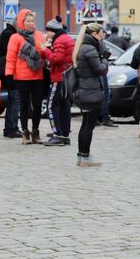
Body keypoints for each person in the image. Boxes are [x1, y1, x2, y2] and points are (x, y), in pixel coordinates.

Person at [5, 9, 48, 145]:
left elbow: (45, 53)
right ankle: (25, 132)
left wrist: (44, 50)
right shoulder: (15, 37)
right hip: (21, 77)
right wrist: (9, 75)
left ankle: (35, 131)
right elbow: (10, 58)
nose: (31, 23)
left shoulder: (40, 35)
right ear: (21, 22)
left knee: (37, 105)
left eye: (32, 21)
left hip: (37, 75)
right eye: (28, 21)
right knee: (23, 105)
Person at [72, 22, 110, 167]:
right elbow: (100, 69)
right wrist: (105, 59)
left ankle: (82, 156)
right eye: (101, 34)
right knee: (89, 125)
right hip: (91, 91)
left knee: (85, 124)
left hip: (85, 90)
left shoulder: (82, 47)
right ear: (94, 34)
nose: (103, 36)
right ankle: (85, 156)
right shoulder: (90, 49)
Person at [44, 17, 74, 146]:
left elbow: (57, 59)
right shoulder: (66, 38)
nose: (47, 34)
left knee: (51, 106)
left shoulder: (59, 40)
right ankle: (64, 134)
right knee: (64, 106)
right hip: (66, 78)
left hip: (58, 77)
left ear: (53, 31)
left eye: (48, 31)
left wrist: (45, 50)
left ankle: (57, 134)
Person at [0, 19, 20, 138]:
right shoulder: (10, 34)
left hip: (6, 72)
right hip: (9, 73)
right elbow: (10, 55)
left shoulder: (7, 33)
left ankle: (10, 128)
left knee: (12, 100)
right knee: (14, 100)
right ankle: (12, 128)